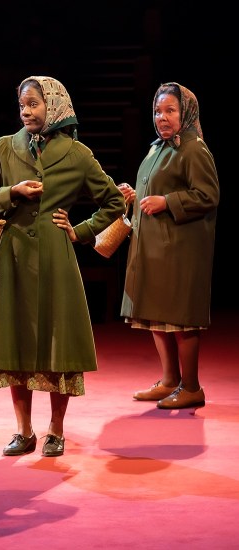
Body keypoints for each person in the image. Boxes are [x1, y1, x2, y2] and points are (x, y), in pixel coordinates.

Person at [0, 76, 125, 457]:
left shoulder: (77, 154)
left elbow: (114, 202)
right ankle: (24, 430)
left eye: (34, 104)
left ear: (52, 106)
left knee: (58, 343)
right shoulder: (3, 148)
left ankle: (56, 429)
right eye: (22, 104)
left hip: (55, 259)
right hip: (11, 258)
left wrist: (79, 231)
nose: (26, 111)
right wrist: (11, 192)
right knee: (15, 342)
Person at [119, 82, 219, 409]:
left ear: (185, 113)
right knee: (157, 315)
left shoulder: (193, 148)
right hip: (153, 247)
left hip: (180, 249)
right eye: (157, 111)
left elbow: (208, 195)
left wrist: (167, 201)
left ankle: (191, 387)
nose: (161, 117)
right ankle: (169, 381)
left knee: (180, 318)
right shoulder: (157, 148)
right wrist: (136, 196)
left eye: (170, 111)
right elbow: (155, 190)